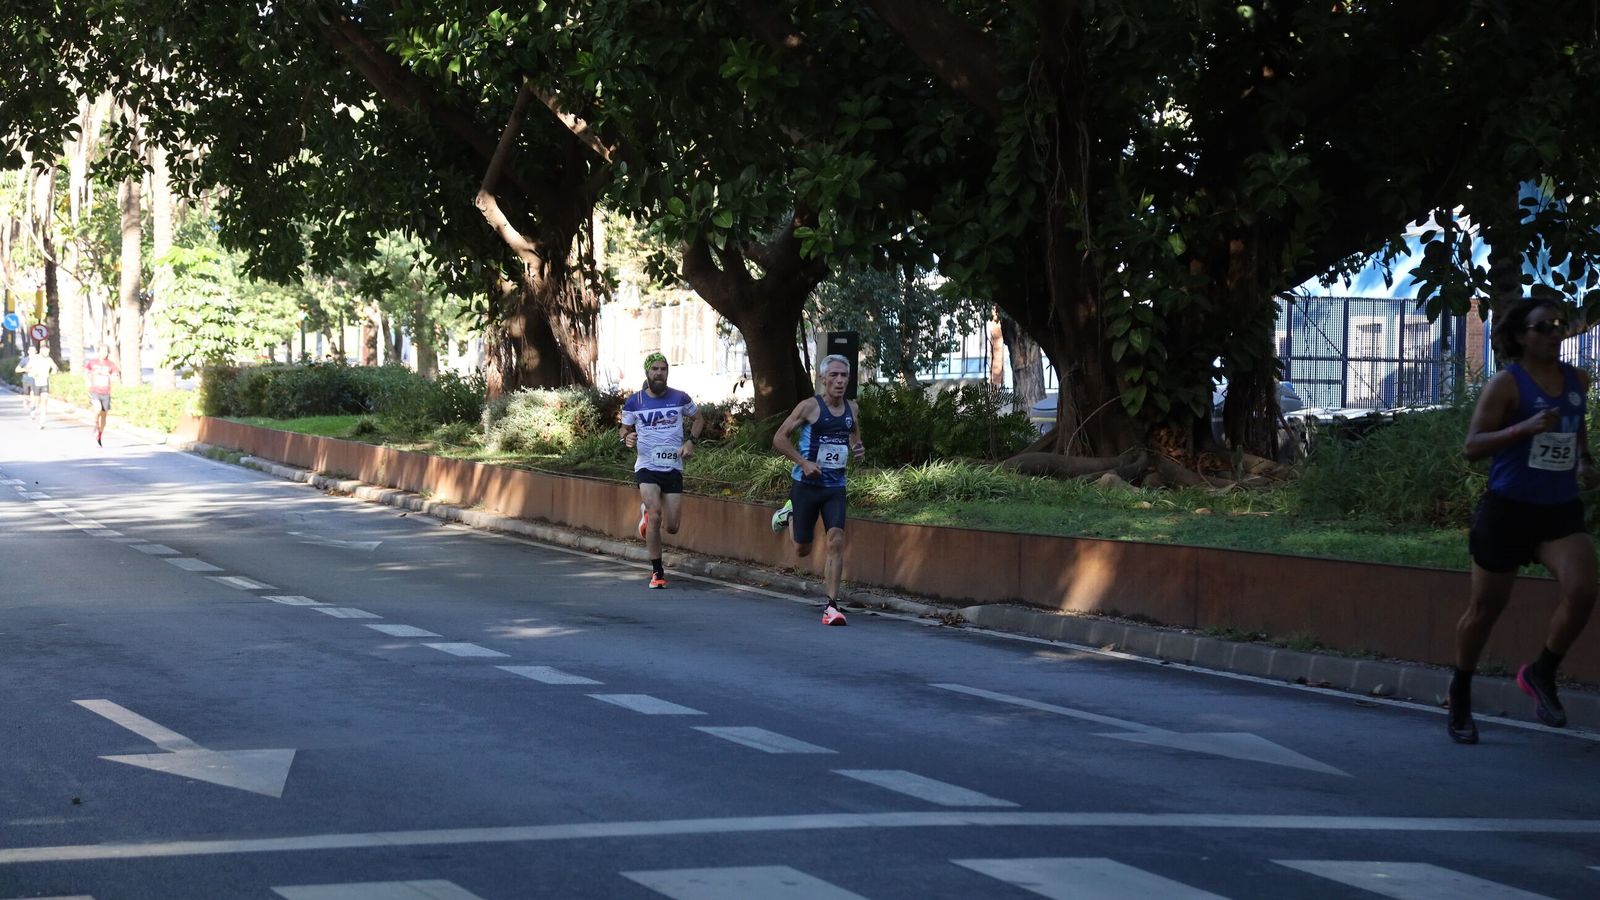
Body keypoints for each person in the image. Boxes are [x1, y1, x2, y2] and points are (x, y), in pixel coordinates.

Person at [1450, 298, 1598, 744]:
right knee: (1485, 611)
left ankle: (1541, 672)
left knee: (1584, 589)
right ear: (1520, 337)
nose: (1554, 333)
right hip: (1508, 511)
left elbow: (1575, 427)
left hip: (1559, 511)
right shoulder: (1506, 385)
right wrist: (1524, 428)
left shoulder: (1579, 380)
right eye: (1543, 327)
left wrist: (1585, 461)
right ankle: (1460, 691)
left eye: (1559, 326)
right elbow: (1472, 446)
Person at [771, 354, 866, 626]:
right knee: (802, 548)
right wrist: (804, 462)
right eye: (833, 375)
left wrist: (857, 447)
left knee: (835, 541)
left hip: (835, 486)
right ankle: (787, 515)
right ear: (822, 379)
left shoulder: (852, 408)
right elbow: (779, 438)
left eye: (844, 376)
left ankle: (832, 606)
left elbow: (854, 434)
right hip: (806, 485)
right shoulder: (809, 407)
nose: (839, 380)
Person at [620, 352, 703, 589]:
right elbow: (623, 428)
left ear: (668, 372)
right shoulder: (634, 401)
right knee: (657, 514)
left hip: (673, 466)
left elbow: (699, 419)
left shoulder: (680, 397)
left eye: (663, 369)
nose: (659, 373)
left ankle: (647, 517)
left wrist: (690, 442)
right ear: (647, 372)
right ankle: (657, 572)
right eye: (654, 369)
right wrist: (627, 437)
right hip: (646, 466)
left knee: (672, 527)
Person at [83, 347, 120, 446]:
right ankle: (95, 424)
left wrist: (108, 375)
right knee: (97, 408)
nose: (104, 353)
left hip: (106, 392)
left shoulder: (111, 364)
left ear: (108, 352)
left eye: (106, 351)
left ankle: (100, 434)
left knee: (104, 416)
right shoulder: (92, 362)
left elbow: (116, 377)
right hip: (95, 390)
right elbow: (86, 372)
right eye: (102, 351)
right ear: (98, 352)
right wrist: (87, 381)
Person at [23, 346, 57, 428]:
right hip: (36, 382)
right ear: (41, 351)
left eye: (48, 352)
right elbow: (27, 368)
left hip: (44, 381)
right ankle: (34, 409)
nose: (47, 354)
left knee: (44, 401)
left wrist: (54, 371)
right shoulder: (35, 358)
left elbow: (54, 367)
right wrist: (32, 372)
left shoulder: (48, 359)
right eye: (46, 352)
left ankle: (42, 421)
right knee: (37, 401)